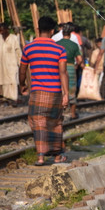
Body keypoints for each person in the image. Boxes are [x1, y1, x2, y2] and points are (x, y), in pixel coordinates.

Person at [19, 16, 69, 166]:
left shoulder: (28, 48)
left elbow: (22, 70)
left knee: (38, 121)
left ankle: (41, 156)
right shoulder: (60, 49)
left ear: (37, 29)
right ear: (53, 31)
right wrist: (66, 94)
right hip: (55, 92)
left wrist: (22, 84)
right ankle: (57, 156)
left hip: (37, 91)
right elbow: (63, 72)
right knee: (55, 122)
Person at [56, 22, 83, 119]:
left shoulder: (57, 44)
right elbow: (79, 59)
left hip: (59, 68)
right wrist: (76, 66)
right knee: (71, 91)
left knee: (60, 90)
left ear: (62, 33)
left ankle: (60, 114)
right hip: (71, 68)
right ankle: (72, 114)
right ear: (70, 34)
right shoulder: (74, 45)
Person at [0, 23, 21, 105]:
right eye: (0, 30)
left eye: (2, 30)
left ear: (7, 29)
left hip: (12, 65)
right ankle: (7, 100)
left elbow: (18, 52)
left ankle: (14, 99)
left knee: (12, 82)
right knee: (4, 83)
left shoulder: (13, 38)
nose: (1, 32)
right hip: (2, 65)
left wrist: (20, 63)